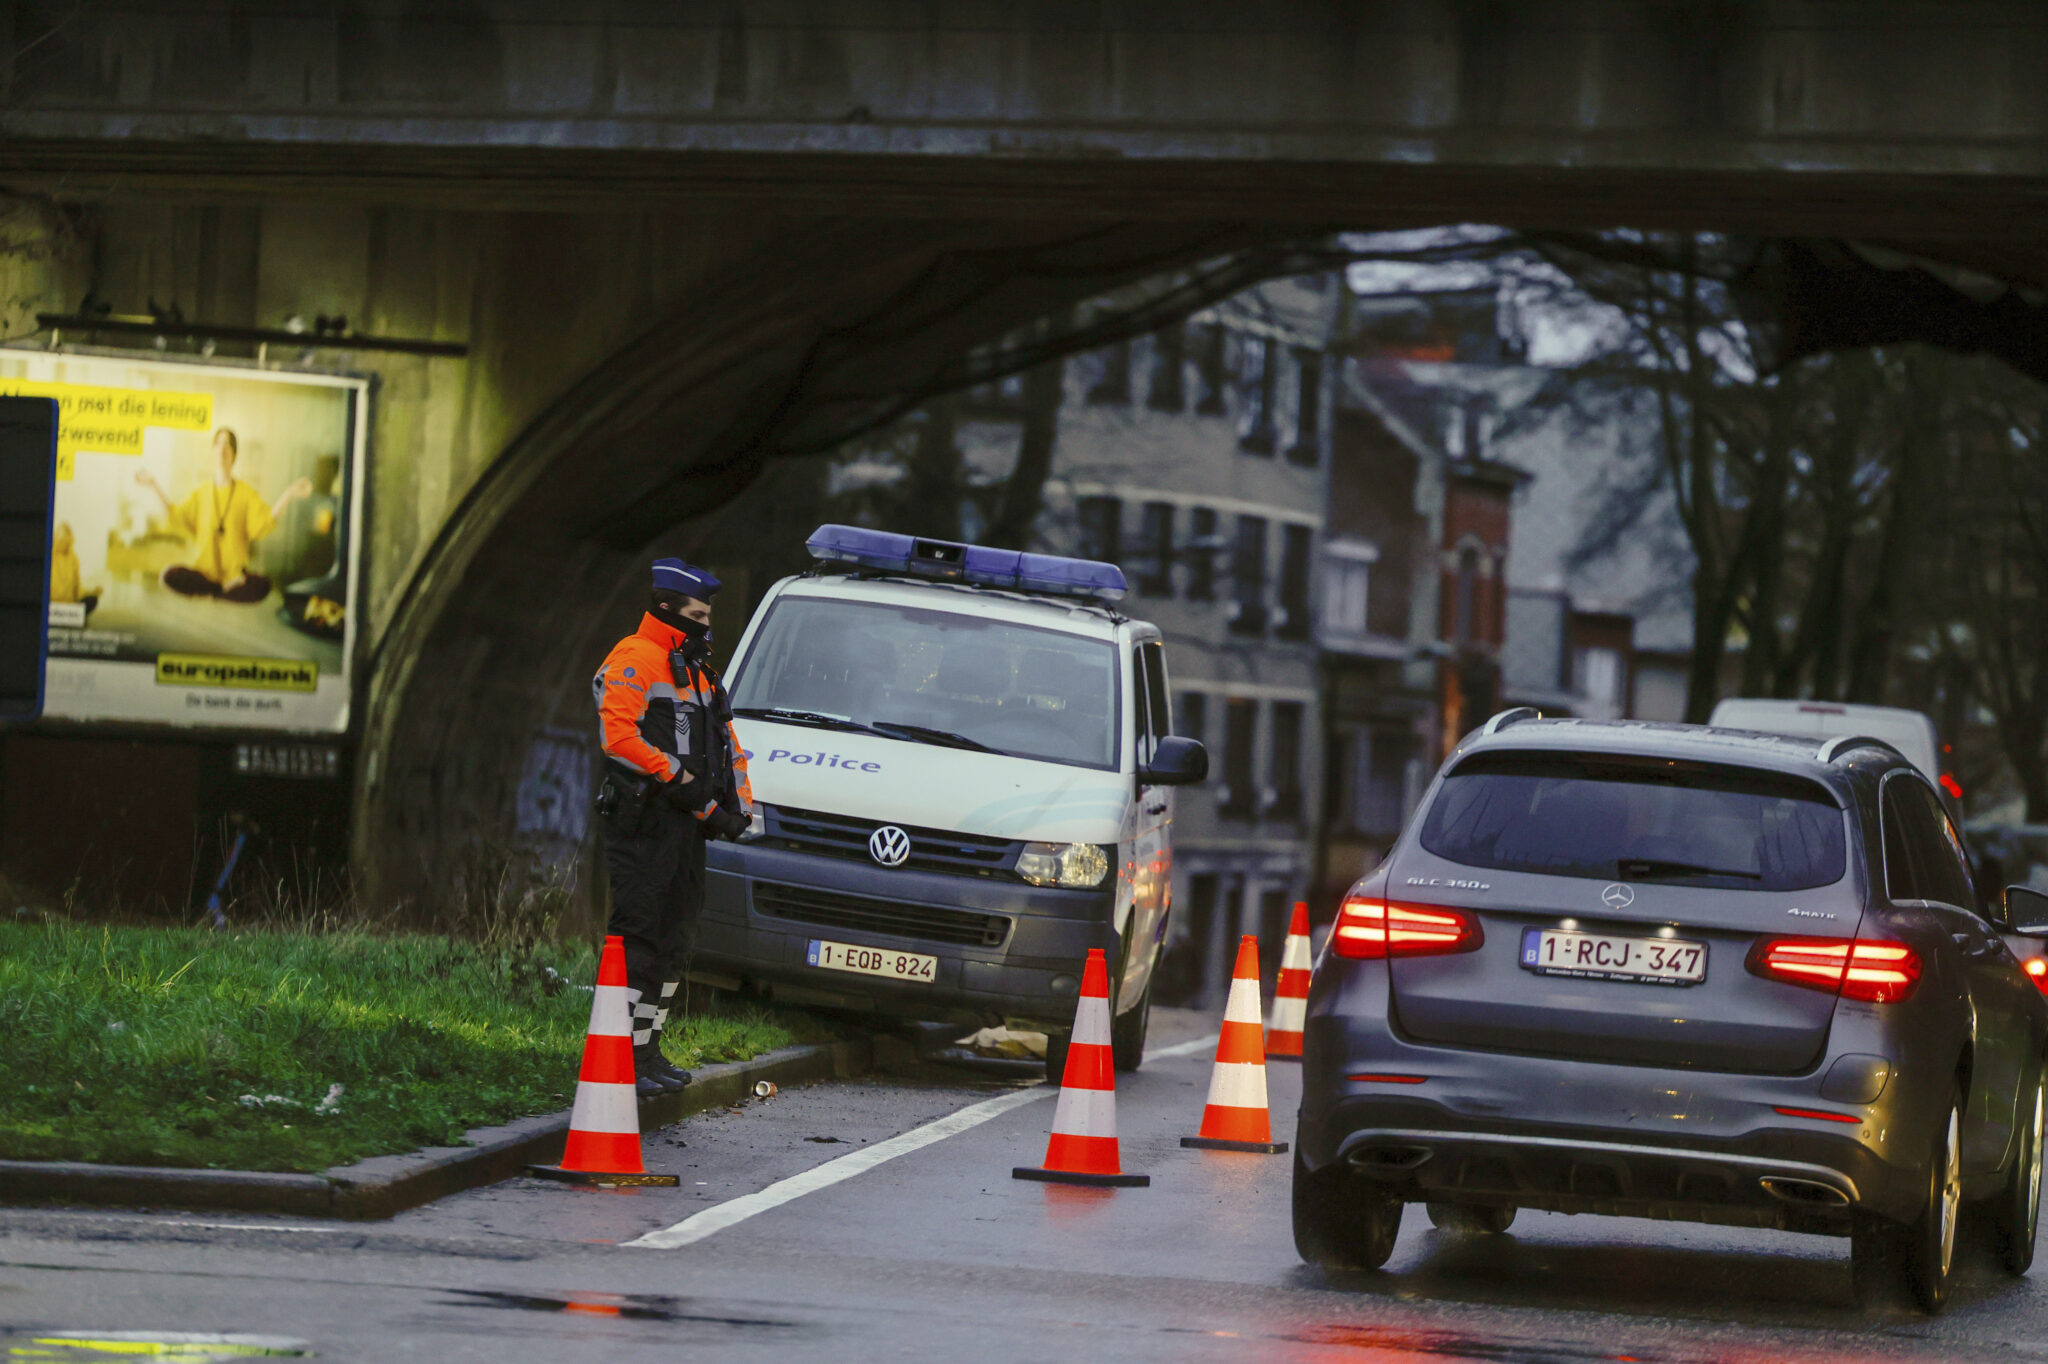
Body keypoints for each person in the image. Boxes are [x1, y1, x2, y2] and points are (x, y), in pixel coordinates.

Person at [591, 558, 754, 1096]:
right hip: (644, 819)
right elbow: (618, 737)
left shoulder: (699, 669)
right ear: (667, 610)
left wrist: (738, 807)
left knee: (675, 940)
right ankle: (617, 1053)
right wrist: (675, 774)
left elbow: (728, 744)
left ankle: (646, 1048)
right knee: (637, 936)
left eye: (708, 615)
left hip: (685, 824)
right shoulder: (635, 657)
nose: (706, 625)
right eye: (697, 614)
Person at [136, 427, 312, 603]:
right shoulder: (201, 492)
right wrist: (154, 486)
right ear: (213, 451)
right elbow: (176, 516)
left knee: (263, 586)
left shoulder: (246, 493)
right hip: (203, 574)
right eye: (218, 444)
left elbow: (265, 521)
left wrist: (289, 494)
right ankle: (220, 591)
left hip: (235, 577)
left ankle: (221, 589)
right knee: (169, 575)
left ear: (234, 454)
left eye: (227, 444)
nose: (222, 448)